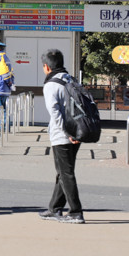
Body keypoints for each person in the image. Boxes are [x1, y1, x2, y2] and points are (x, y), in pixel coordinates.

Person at [38, 48, 85, 224]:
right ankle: (54, 208)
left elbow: (55, 113)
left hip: (63, 135)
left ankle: (76, 211)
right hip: (78, 130)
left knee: (66, 173)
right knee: (63, 172)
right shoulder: (70, 79)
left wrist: (66, 132)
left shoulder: (51, 84)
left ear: (46, 67)